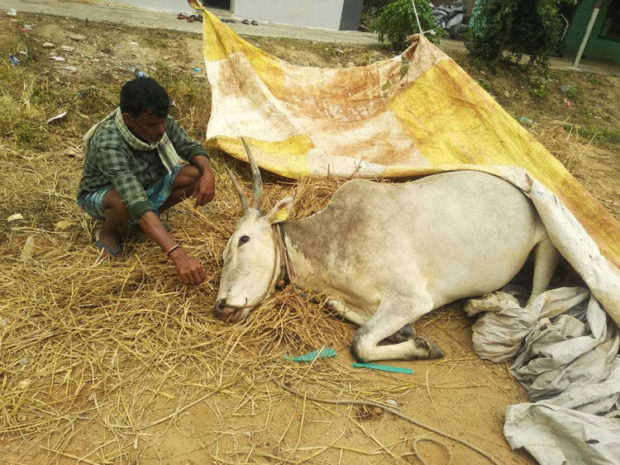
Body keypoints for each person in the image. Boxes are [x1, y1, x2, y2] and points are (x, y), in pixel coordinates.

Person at [77, 77, 215, 285]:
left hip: (146, 183)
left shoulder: (158, 121)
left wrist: (208, 173)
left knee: (194, 174)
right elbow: (134, 198)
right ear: (128, 119)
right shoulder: (108, 142)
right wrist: (177, 254)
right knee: (124, 204)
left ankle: (146, 222)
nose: (160, 130)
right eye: (151, 125)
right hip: (107, 194)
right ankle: (108, 230)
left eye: (163, 122)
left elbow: (190, 147)